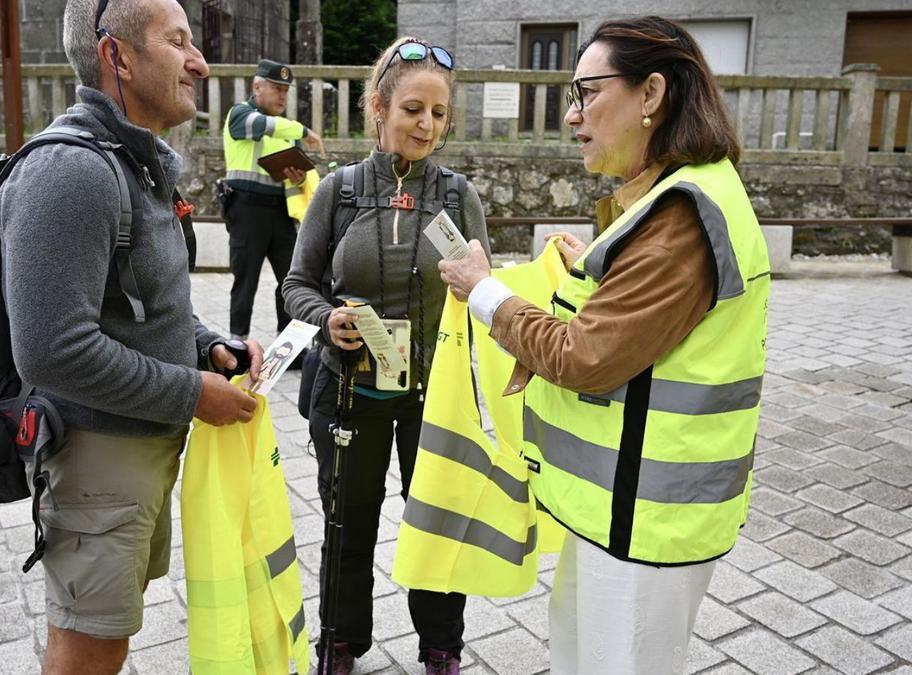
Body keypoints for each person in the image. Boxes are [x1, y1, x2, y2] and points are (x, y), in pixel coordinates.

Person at [440, 16, 770, 674]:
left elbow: (585, 357)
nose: (571, 116)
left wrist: (484, 290)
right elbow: (640, 326)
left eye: (586, 91)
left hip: (646, 523)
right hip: (626, 511)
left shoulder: (683, 213)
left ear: (651, 94)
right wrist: (585, 270)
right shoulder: (677, 194)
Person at [0, 1, 261, 672]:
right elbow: (51, 348)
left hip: (134, 449)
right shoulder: (73, 172)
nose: (200, 62)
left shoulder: (131, 161)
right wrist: (192, 393)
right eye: (178, 42)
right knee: (89, 648)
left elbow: (138, 299)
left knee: (106, 637)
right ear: (118, 56)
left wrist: (205, 345)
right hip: (96, 459)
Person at [284, 36, 490, 675]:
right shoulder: (339, 193)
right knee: (348, 528)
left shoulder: (458, 198)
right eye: (412, 109)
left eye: (437, 113)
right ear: (379, 107)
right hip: (348, 394)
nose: (426, 124)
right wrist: (328, 320)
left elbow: (486, 292)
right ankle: (339, 645)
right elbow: (296, 286)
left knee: (435, 527)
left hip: (434, 400)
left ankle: (441, 651)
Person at [222, 58, 325, 341]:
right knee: (246, 281)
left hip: (279, 211)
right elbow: (264, 126)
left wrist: (299, 178)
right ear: (257, 86)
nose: (283, 95)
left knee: (290, 280)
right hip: (246, 208)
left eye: (286, 90)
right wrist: (304, 132)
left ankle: (288, 345)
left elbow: (297, 177)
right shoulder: (240, 115)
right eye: (277, 88)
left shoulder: (284, 129)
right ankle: (237, 344)